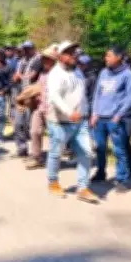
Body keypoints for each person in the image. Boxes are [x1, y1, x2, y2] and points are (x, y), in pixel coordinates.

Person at [45, 42, 98, 203]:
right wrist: (69, 112)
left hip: (80, 121)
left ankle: (82, 187)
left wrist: (87, 113)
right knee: (56, 153)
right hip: (60, 122)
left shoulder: (78, 72)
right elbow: (55, 97)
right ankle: (53, 182)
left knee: (86, 153)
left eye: (74, 52)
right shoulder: (55, 74)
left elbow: (82, 95)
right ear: (60, 56)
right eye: (69, 53)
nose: (73, 55)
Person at [90, 46, 131, 189]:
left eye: (109, 56)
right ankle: (100, 172)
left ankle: (122, 179)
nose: (106, 58)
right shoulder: (103, 72)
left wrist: (119, 114)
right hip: (100, 117)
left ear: (119, 57)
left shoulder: (129, 75)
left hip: (115, 118)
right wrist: (94, 113)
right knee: (100, 147)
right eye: (106, 56)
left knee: (119, 149)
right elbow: (97, 94)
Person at [27, 45, 58, 169]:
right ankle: (37, 158)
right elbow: (39, 87)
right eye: (43, 59)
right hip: (40, 107)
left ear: (53, 60)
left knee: (54, 136)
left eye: (47, 59)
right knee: (35, 131)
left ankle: (54, 160)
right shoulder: (43, 74)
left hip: (53, 110)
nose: (44, 61)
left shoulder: (60, 74)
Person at [13, 41, 41, 157]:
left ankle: (35, 152)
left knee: (29, 125)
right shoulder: (21, 61)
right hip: (21, 95)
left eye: (28, 48)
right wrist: (19, 76)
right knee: (18, 122)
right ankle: (22, 148)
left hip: (32, 96)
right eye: (24, 48)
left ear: (33, 48)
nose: (26, 51)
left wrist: (20, 76)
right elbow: (15, 77)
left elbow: (32, 76)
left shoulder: (38, 60)